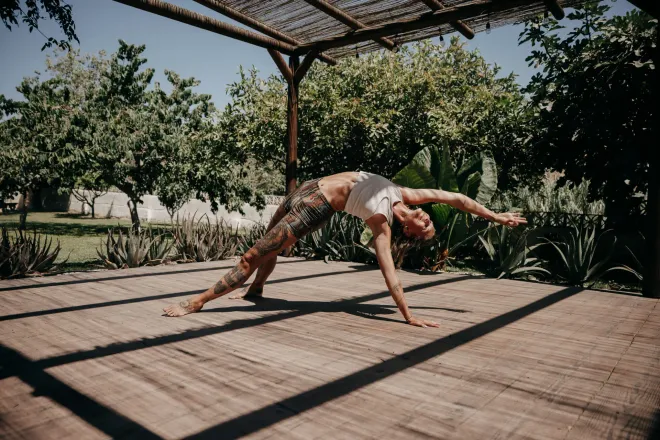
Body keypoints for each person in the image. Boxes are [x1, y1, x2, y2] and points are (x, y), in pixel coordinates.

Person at [163, 172, 526, 327]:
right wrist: (496, 216)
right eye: (429, 219)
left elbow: (390, 275)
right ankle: (256, 289)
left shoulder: (382, 225)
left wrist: (408, 315)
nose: (426, 217)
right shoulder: (406, 194)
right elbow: (457, 198)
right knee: (268, 246)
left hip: (315, 207)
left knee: (253, 254)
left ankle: (196, 302)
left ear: (410, 232)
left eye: (426, 226)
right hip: (307, 188)